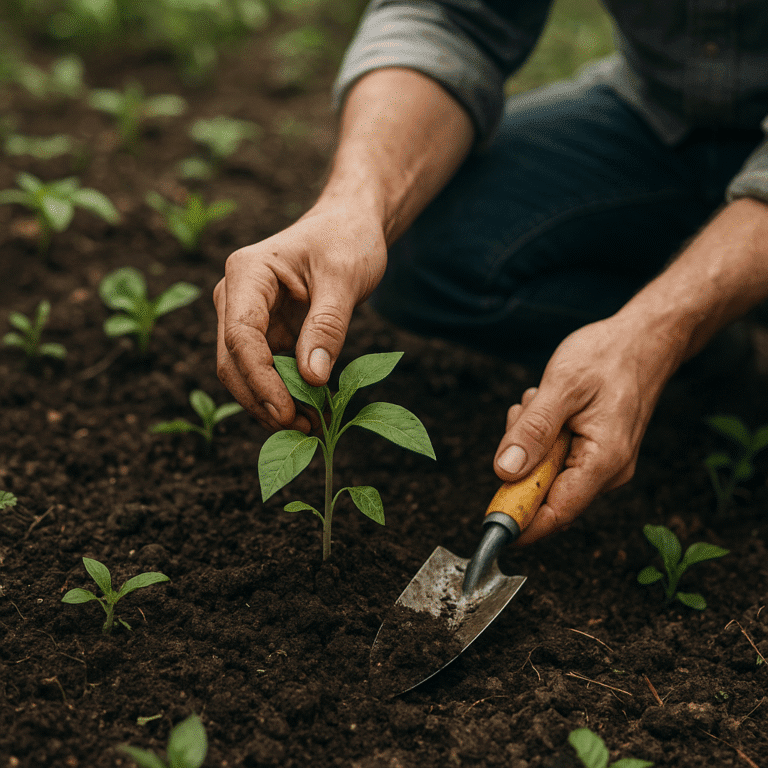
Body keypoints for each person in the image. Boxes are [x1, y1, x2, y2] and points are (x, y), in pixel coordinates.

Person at [214, 0, 768, 545]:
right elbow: (451, 15)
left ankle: (676, 339)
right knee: (418, 242)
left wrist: (659, 331)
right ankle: (710, 353)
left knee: (659, 333)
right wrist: (356, 205)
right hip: (659, 117)